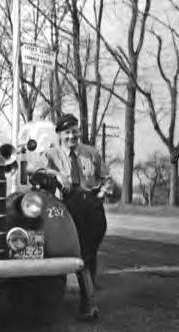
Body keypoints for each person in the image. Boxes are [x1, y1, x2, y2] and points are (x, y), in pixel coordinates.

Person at [45, 113, 111, 320]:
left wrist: (103, 191)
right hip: (66, 207)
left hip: (91, 206)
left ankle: (88, 302)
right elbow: (33, 169)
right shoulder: (51, 154)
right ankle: (81, 302)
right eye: (67, 132)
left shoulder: (91, 153)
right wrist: (55, 175)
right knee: (71, 254)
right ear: (59, 135)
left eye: (75, 131)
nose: (72, 136)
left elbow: (106, 178)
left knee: (88, 254)